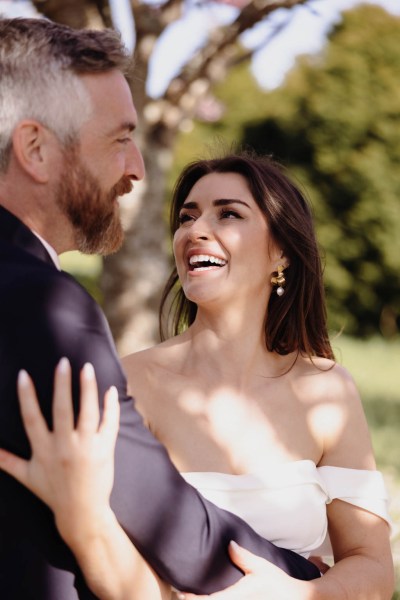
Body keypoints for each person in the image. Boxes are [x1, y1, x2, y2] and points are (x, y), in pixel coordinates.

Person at [0, 16, 320, 600]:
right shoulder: (40, 302)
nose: (136, 169)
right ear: (36, 149)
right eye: (120, 139)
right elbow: (170, 521)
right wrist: (311, 582)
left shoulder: (330, 391)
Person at [0, 151, 394, 599]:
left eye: (228, 213)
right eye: (187, 217)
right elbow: (110, 564)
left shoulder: (328, 391)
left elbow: (374, 570)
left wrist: (299, 594)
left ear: (280, 250)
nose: (195, 231)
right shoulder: (129, 382)